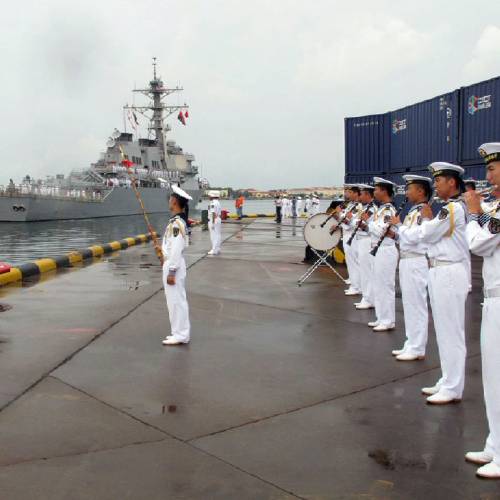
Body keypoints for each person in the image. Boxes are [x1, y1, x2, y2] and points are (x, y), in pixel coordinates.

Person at [413, 162, 469, 404]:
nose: (434, 184)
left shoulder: (453, 209)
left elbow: (427, 234)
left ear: (452, 183)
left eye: (438, 180)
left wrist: (426, 220)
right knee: (444, 331)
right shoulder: (448, 208)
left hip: (449, 272)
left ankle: (454, 386)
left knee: (451, 332)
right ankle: (448, 379)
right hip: (438, 271)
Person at [464, 142, 500, 479]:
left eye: (492, 168)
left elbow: (478, 243)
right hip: (493, 298)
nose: (487, 174)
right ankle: (495, 444)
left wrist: (474, 213)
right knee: (492, 376)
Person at [390, 175, 433, 361]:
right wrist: (396, 234)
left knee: (417, 305)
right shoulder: (413, 211)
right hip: (407, 260)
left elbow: (417, 236)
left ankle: (417, 347)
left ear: (421, 191)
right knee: (409, 304)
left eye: (410, 189)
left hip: (416, 261)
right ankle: (411, 342)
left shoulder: (424, 211)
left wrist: (399, 227)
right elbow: (406, 237)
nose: (406, 193)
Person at [366, 177, 398, 331]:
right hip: (379, 250)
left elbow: (381, 231)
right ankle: (381, 317)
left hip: (386, 250)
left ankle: (388, 320)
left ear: (384, 191)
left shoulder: (389, 210)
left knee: (385, 285)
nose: (375, 192)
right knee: (378, 284)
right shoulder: (381, 209)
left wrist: (369, 222)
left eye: (377, 189)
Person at [161, 185, 192, 345]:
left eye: (171, 198)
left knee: (176, 301)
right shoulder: (176, 221)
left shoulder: (176, 224)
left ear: (174, 201)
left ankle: (180, 334)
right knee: (175, 300)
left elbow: (177, 248)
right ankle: (178, 333)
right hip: (173, 263)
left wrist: (171, 271)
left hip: (175, 266)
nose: (169, 200)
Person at [351, 185, 375, 308]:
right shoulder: (365, 208)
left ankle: (369, 298)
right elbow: (355, 221)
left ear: (367, 195)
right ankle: (366, 297)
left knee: (367, 271)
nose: (359, 197)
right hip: (361, 240)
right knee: (363, 269)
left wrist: (356, 222)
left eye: (362, 194)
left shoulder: (372, 209)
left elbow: (364, 224)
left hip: (366, 240)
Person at [339, 185, 362, 297]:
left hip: (352, 235)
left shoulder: (358, 207)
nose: (347, 194)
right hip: (347, 234)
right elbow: (345, 218)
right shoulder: (351, 205)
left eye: (350, 192)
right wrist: (342, 216)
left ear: (356, 193)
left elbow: (349, 223)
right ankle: (354, 283)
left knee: (354, 261)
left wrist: (341, 215)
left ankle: (357, 286)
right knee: (350, 261)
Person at [208, 190, 222, 256]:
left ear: (212, 196)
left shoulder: (213, 203)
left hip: (213, 220)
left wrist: (212, 223)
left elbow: (213, 213)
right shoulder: (217, 202)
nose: (208, 196)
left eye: (209, 195)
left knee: (213, 235)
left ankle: (214, 250)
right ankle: (217, 248)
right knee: (218, 235)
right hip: (217, 219)